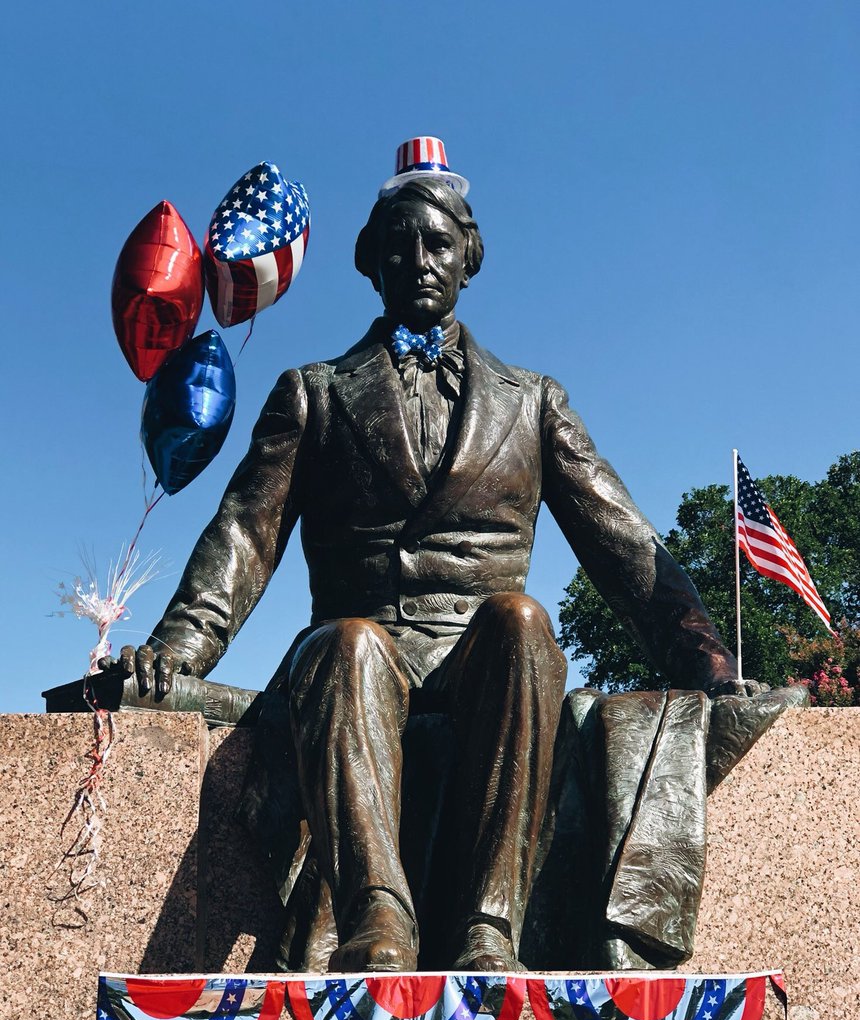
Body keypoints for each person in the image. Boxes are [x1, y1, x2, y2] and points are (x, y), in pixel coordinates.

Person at [117, 157, 760, 974]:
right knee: (349, 642)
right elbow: (243, 537)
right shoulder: (312, 394)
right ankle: (376, 922)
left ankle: (490, 927)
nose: (419, 260)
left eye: (437, 244)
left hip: (484, 662)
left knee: (522, 622)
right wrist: (174, 651)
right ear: (369, 261)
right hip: (357, 656)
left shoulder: (533, 401)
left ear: (470, 257)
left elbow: (624, 542)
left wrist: (704, 658)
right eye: (399, 244)